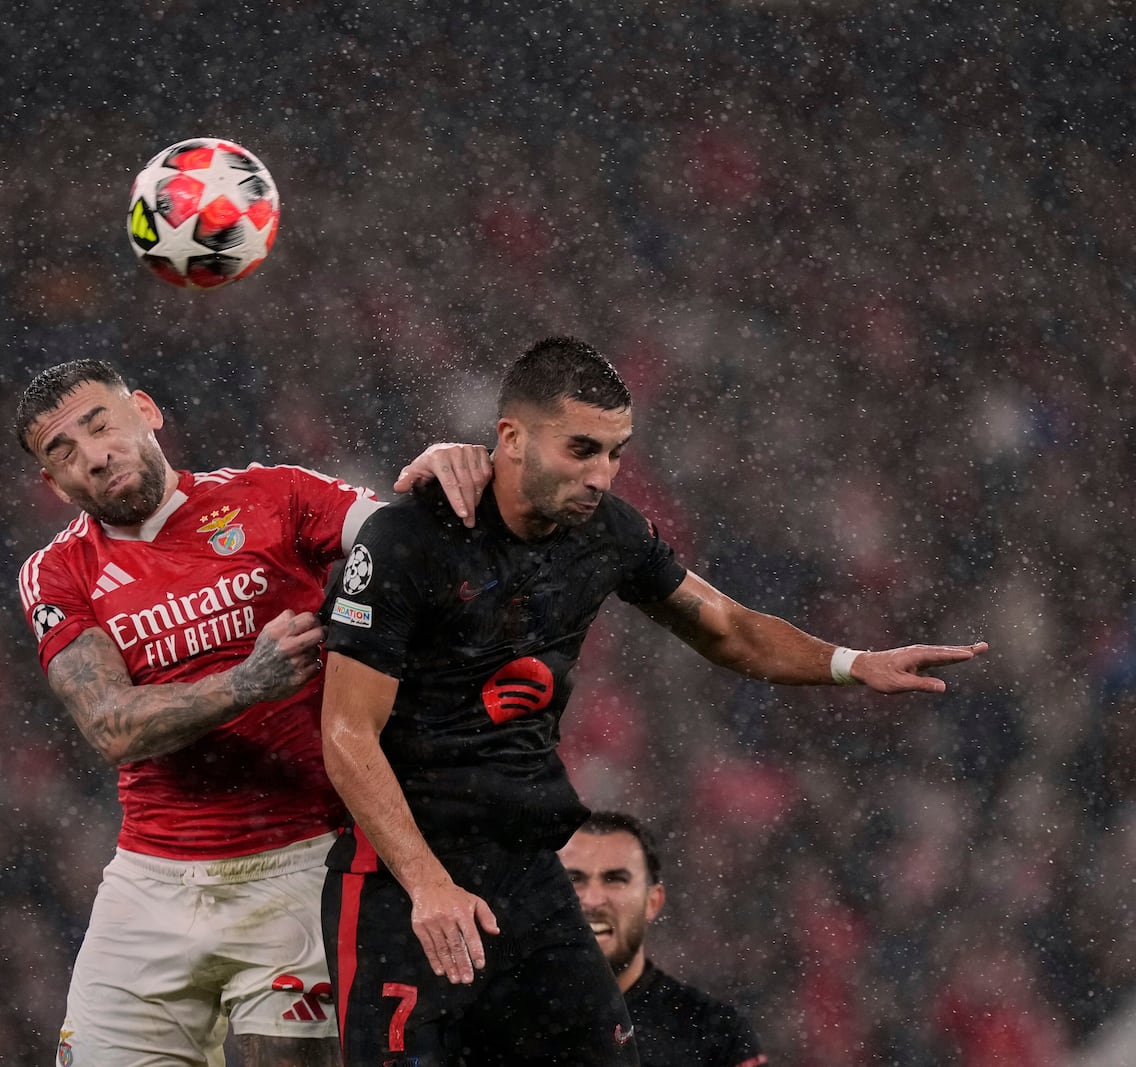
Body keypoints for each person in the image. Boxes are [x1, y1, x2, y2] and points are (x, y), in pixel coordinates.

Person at [318, 335, 987, 1067]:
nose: (601, 474)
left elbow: (728, 628)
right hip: (398, 881)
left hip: (531, 870)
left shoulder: (606, 534)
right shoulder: (407, 541)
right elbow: (349, 732)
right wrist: (428, 883)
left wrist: (853, 663)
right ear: (510, 437)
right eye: (581, 449)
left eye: (615, 452)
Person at [13, 359, 491, 1067]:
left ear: (145, 410)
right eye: (64, 452)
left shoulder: (276, 496)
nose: (93, 454)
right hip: (150, 881)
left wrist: (442, 480)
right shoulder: (57, 571)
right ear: (54, 484)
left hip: (299, 866)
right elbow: (110, 724)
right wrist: (246, 683)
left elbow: (415, 547)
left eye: (99, 424)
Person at [560, 811, 767, 1067]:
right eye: (573, 879)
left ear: (653, 901)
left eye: (615, 880)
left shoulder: (715, 1035)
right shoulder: (502, 1019)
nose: (592, 899)